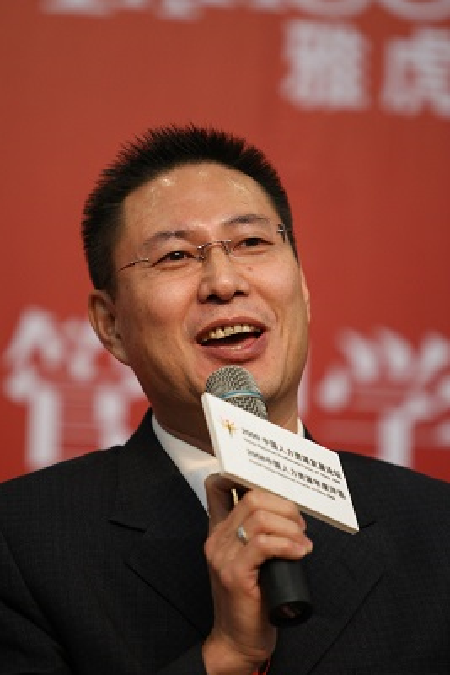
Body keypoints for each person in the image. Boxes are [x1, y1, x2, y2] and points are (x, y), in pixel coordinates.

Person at [0, 125, 449, 675]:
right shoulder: (22, 540)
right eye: (175, 256)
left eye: (252, 243)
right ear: (111, 324)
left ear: (303, 287)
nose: (224, 281)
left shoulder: (436, 529)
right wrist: (227, 655)